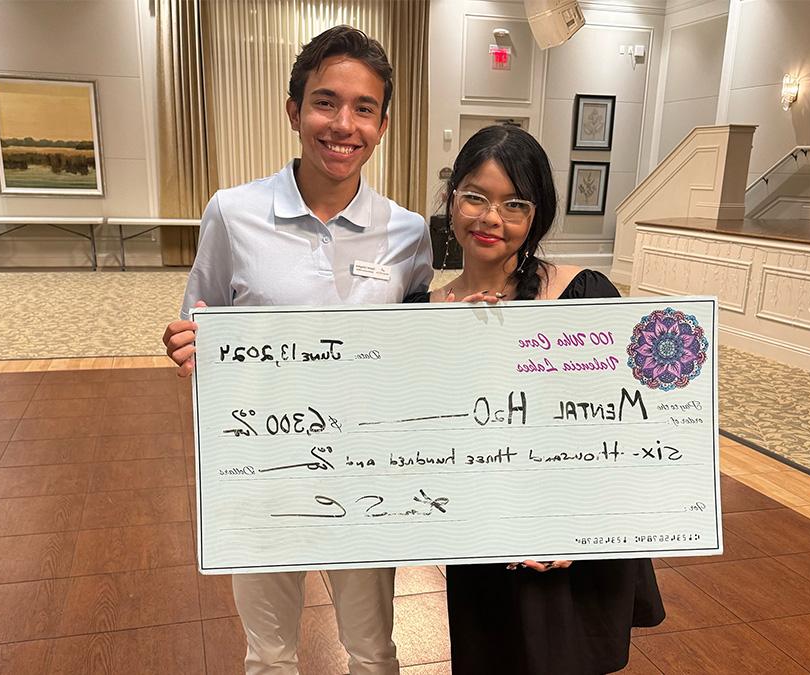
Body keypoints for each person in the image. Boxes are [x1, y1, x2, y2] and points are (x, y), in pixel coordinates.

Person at [162, 26, 432, 675]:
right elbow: (199, 320)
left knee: (372, 650)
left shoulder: (407, 232)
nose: (344, 124)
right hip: (262, 470)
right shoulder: (233, 212)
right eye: (325, 102)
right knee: (271, 653)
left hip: (365, 478)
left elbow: (422, 351)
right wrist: (189, 344)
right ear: (294, 111)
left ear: (384, 123)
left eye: (364, 108)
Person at [406, 124, 666, 674]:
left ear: (537, 215)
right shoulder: (421, 308)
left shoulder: (585, 295)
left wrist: (578, 525)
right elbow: (414, 434)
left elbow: (628, 425)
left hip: (569, 541)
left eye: (514, 204)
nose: (491, 218)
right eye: (475, 196)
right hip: (483, 539)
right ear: (451, 201)